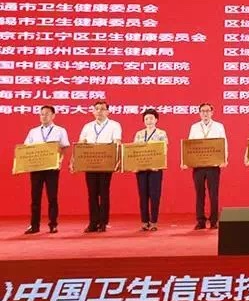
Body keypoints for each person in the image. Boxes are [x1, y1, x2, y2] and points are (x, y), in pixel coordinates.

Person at [75, 100, 122, 233]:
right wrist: (76, 160)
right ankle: (93, 222)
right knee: (92, 193)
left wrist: (117, 160)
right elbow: (81, 143)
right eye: (97, 109)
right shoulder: (87, 126)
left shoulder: (114, 125)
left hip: (106, 162)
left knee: (104, 192)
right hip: (90, 163)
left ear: (108, 111)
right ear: (93, 111)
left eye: (102, 109)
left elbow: (117, 143)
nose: (99, 111)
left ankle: (103, 222)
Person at [23, 105, 70, 234]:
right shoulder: (33, 131)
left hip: (52, 168)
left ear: (53, 115)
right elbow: (26, 148)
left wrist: (60, 160)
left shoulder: (60, 130)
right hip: (36, 168)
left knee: (52, 197)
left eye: (47, 114)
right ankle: (34, 225)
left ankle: (53, 224)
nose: (44, 116)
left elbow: (64, 147)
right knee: (35, 198)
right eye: (42, 114)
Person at [185, 103, 228, 230]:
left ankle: (214, 221)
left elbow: (224, 143)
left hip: (213, 165)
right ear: (199, 113)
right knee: (199, 193)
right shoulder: (194, 127)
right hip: (198, 165)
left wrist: (224, 159)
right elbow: (189, 145)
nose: (205, 113)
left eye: (207, 111)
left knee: (213, 194)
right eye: (203, 111)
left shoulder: (219, 126)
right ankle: (200, 221)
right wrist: (187, 161)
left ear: (212, 112)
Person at [132, 109, 167, 231]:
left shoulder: (161, 133)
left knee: (155, 195)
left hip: (155, 168)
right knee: (143, 196)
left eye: (151, 118)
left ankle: (153, 222)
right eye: (146, 118)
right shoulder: (139, 134)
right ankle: (144, 221)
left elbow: (163, 150)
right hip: (141, 169)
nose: (149, 121)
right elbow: (134, 151)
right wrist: (134, 166)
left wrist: (158, 164)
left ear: (156, 120)